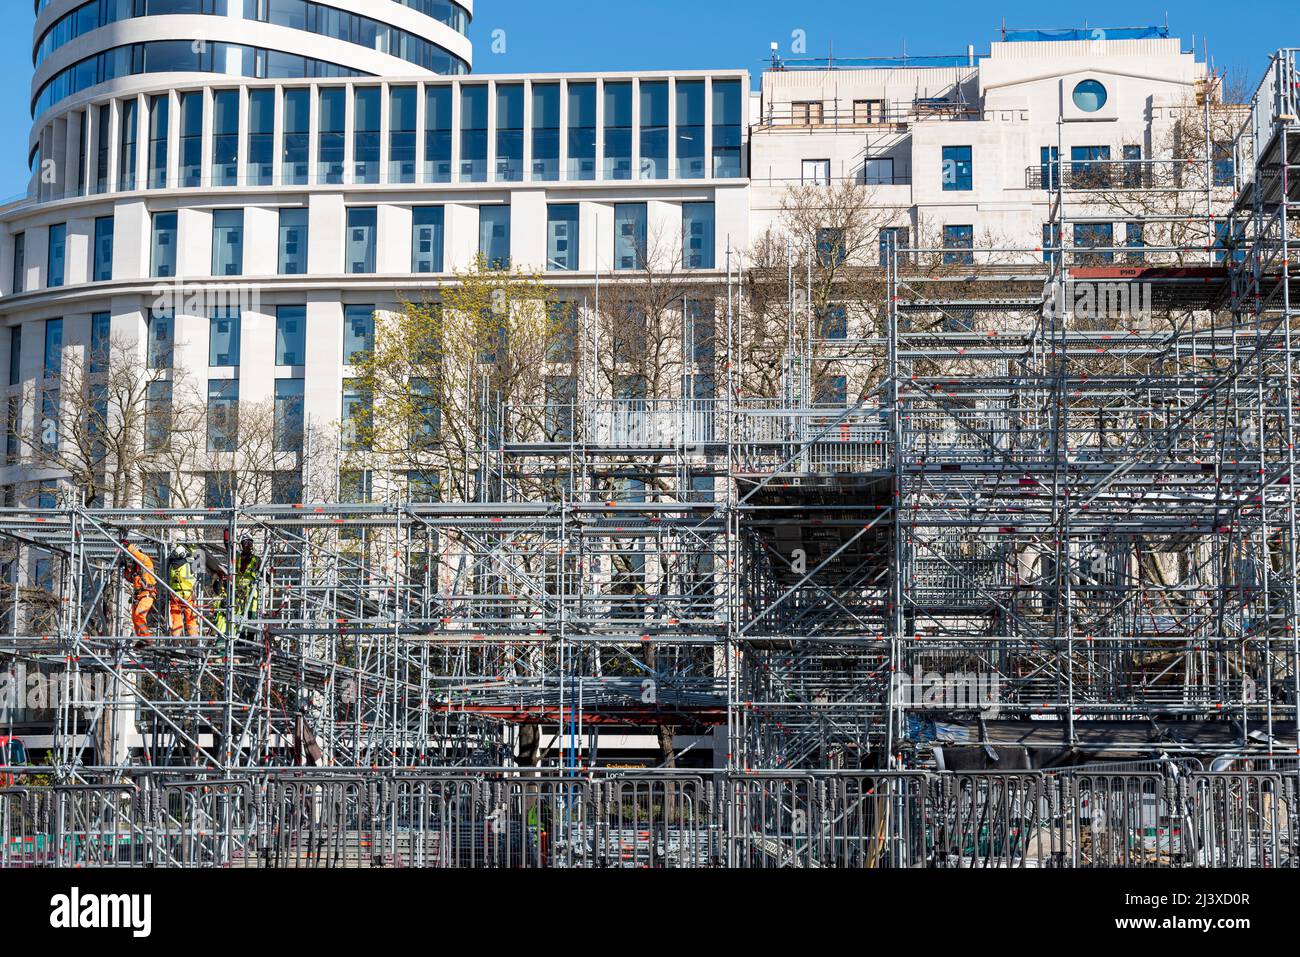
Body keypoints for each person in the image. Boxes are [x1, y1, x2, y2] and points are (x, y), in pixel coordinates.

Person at [122, 541, 156, 641]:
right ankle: (142, 639)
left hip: (147, 594)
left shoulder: (146, 561)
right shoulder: (136, 569)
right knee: (135, 618)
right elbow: (129, 578)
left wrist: (129, 547)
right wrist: (124, 569)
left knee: (139, 615)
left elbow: (138, 555)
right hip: (138, 596)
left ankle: (147, 639)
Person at [169, 544, 199, 638]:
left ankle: (175, 644)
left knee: (176, 620)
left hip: (175, 596)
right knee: (191, 619)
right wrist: (191, 546)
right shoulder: (188, 565)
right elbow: (198, 557)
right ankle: (194, 643)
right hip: (187, 596)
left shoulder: (171, 567)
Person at [235, 536, 262, 627]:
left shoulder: (256, 559)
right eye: (245, 543)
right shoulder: (237, 557)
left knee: (252, 613)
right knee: (238, 613)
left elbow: (262, 573)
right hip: (239, 589)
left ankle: (250, 635)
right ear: (242, 544)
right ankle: (239, 637)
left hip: (251, 589)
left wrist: (271, 582)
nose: (248, 545)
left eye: (249, 543)